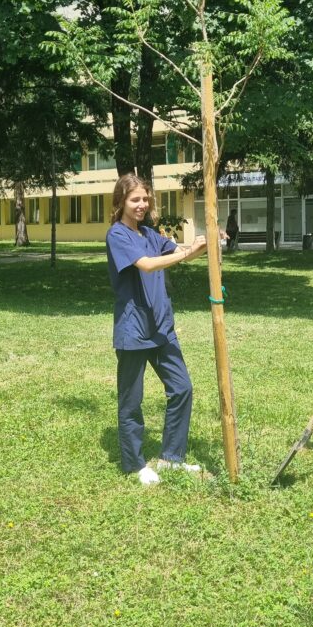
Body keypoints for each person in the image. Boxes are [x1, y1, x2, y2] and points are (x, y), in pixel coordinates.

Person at [106, 174, 207, 485]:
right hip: (134, 330)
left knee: (182, 388)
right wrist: (185, 253)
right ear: (121, 202)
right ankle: (134, 465)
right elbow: (148, 264)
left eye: (145, 199)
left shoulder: (150, 233)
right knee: (131, 401)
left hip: (162, 328)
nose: (141, 204)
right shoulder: (117, 235)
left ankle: (172, 458)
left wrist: (205, 243)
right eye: (135, 199)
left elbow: (181, 251)